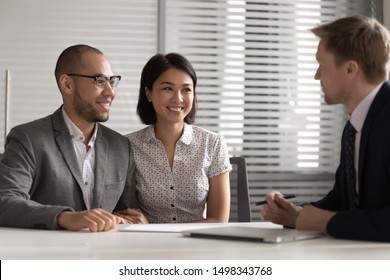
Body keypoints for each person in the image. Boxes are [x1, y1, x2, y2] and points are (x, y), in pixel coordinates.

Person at [261, 15, 390, 242]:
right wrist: (294, 214)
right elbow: (343, 200)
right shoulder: (355, 125)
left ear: (350, 69)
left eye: (321, 65)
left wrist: (324, 222)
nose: (316, 75)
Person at [0, 44, 147, 231]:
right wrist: (65, 218)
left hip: (104, 255)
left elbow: (127, 212)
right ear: (67, 84)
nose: (110, 92)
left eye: (112, 81)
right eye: (99, 81)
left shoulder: (121, 146)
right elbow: (5, 201)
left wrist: (133, 220)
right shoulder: (27, 138)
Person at [127, 53, 231, 223]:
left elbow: (219, 220)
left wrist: (160, 232)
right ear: (148, 94)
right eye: (167, 88)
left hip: (198, 244)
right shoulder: (128, 146)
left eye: (186, 89)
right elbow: (126, 214)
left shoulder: (213, 143)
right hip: (146, 244)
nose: (178, 98)